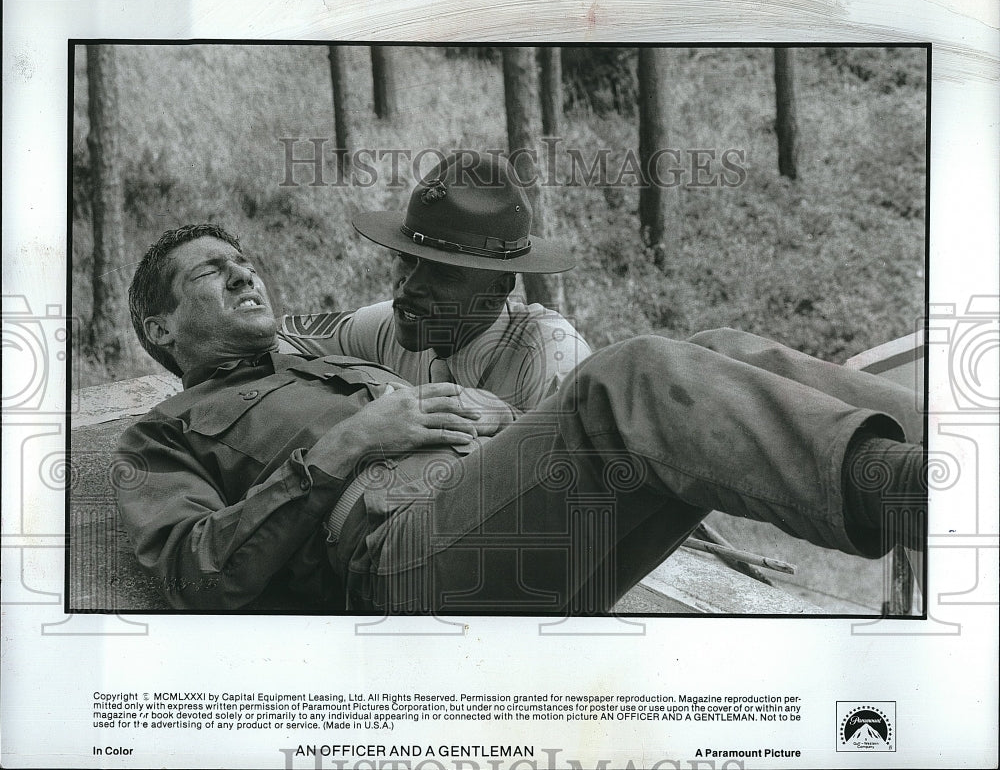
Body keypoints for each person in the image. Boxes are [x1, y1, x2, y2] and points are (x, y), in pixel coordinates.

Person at [116, 223, 926, 613]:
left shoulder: (316, 354)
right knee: (633, 377)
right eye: (212, 273)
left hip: (495, 516)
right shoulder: (163, 433)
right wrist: (346, 444)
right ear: (158, 328)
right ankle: (924, 498)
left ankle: (949, 452)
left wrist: (504, 415)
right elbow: (194, 574)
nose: (244, 273)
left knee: (718, 346)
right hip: (402, 560)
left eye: (246, 261)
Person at [277, 152, 591, 418]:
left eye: (443, 274)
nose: (409, 287)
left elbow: (581, 479)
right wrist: (371, 394)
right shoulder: (391, 325)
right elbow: (275, 339)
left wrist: (507, 424)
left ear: (498, 290)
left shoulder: (554, 361)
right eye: (406, 258)